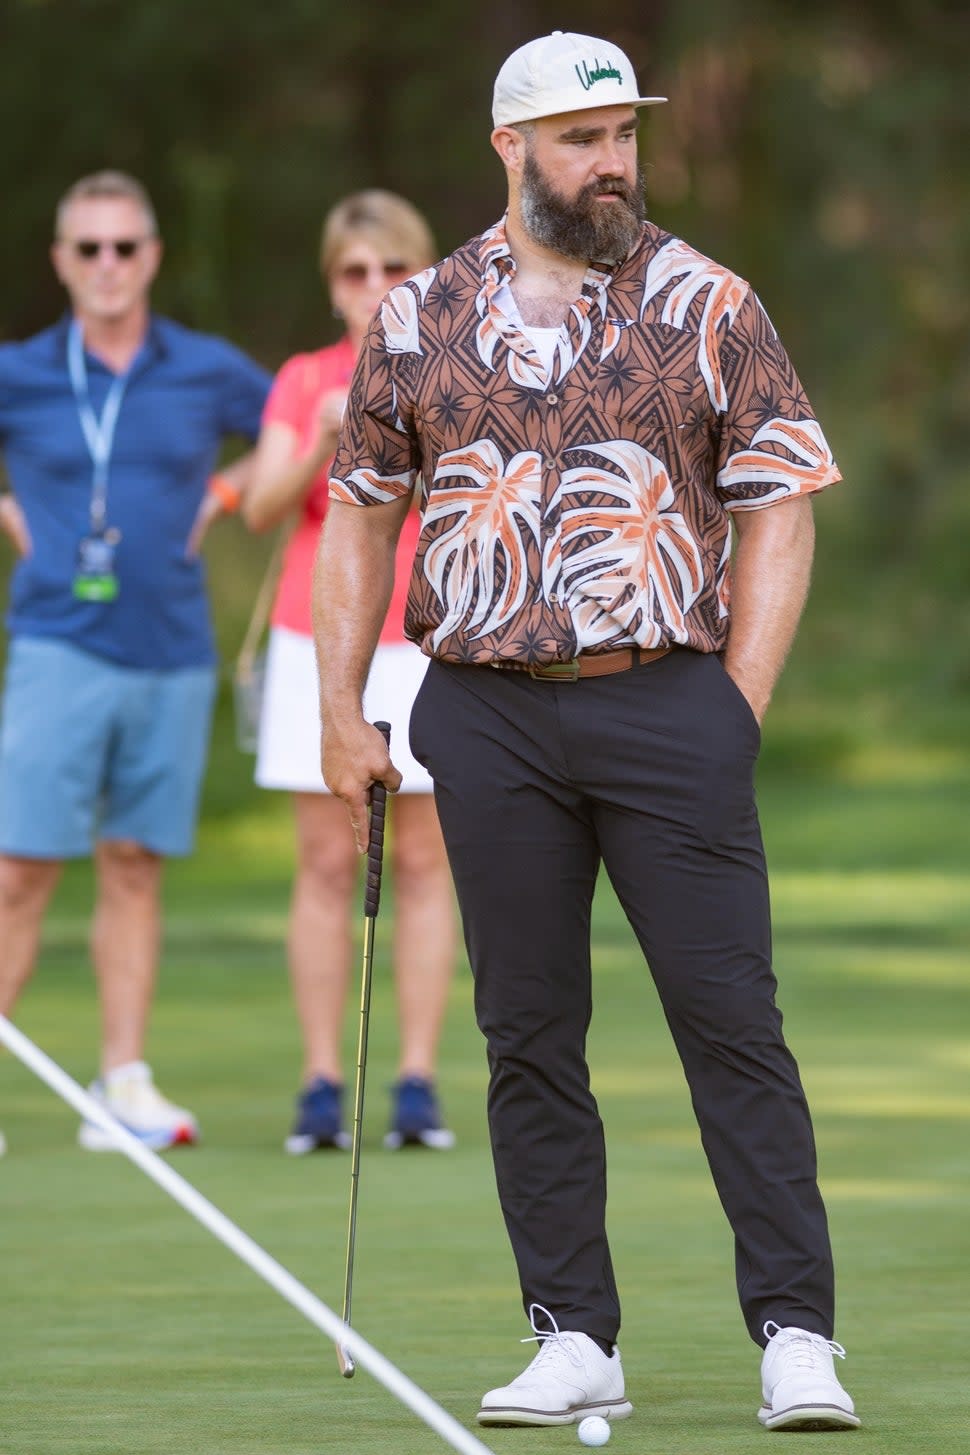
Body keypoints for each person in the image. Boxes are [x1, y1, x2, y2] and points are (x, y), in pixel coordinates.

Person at [313, 30, 862, 1434]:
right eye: (577, 137)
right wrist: (338, 711)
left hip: (668, 695)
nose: (608, 160)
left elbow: (779, 503)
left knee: (731, 1024)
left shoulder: (708, 301)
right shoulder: (418, 315)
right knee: (525, 1031)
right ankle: (571, 1332)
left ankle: (797, 1333)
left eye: (621, 133)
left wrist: (730, 706)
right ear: (508, 148)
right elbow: (360, 517)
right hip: (483, 712)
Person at [0, 170, 271, 1154]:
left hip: (172, 654)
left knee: (134, 866)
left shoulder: (203, 367)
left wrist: (234, 491)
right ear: (62, 263)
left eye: (125, 247)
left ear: (151, 257)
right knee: (20, 871)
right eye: (88, 249)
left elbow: (306, 424)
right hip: (56, 647)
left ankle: (123, 1082)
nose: (107, 265)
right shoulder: (21, 370)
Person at [243, 191, 457, 1154]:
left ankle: (415, 1079)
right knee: (328, 860)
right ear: (333, 283)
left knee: (422, 860)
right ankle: (321, 1081)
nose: (373, 288)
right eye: (353, 272)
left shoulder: (453, 368)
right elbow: (259, 506)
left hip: (428, 637)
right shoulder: (303, 379)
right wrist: (332, 430)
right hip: (315, 638)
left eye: (392, 269)